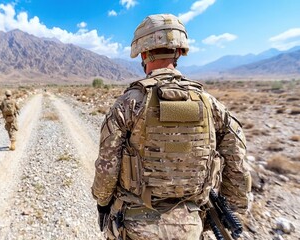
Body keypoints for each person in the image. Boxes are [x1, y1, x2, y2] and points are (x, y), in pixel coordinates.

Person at [91, 14, 252, 239]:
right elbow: (238, 162)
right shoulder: (210, 104)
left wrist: (102, 202)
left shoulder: (128, 104)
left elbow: (107, 168)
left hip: (135, 225)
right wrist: (234, 206)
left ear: (143, 53)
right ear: (178, 52)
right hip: (190, 225)